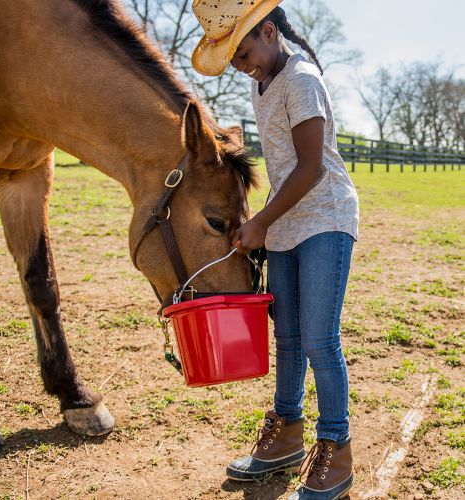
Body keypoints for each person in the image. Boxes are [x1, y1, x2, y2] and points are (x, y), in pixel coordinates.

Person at [191, 1, 359, 499]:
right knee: (286, 337)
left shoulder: (302, 79)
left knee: (318, 340)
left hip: (325, 218)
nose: (244, 66)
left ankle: (336, 447)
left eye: (244, 54)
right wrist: (259, 220)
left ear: (269, 31)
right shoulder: (260, 84)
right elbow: (280, 164)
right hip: (283, 223)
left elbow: (311, 168)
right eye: (236, 62)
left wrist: (261, 221)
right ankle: (286, 433)